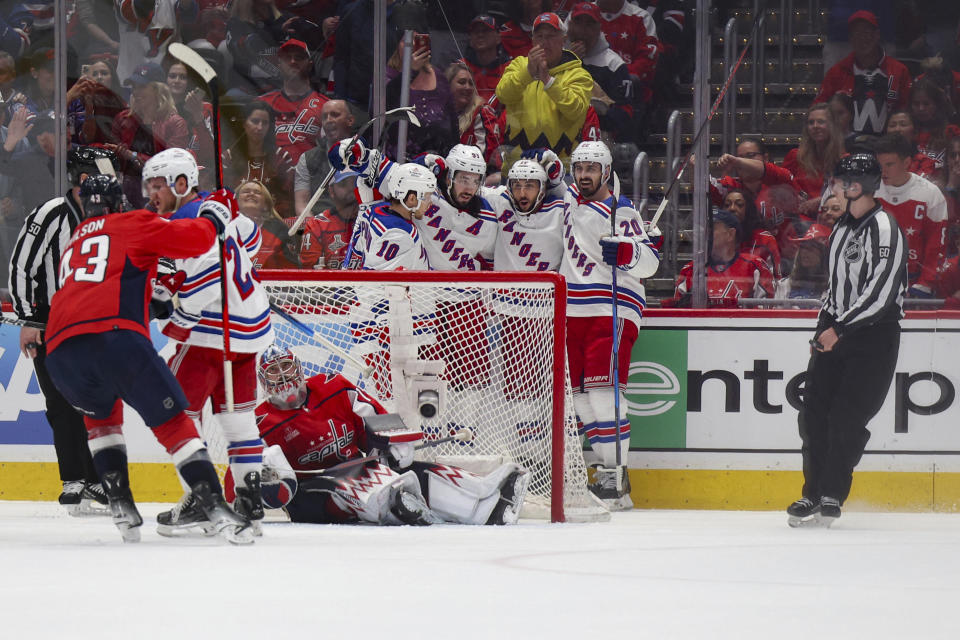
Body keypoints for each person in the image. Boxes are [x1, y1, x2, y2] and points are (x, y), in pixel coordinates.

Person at [42, 175, 254, 544]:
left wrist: (155, 299)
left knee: (101, 421)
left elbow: (114, 283)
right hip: (114, 337)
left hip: (60, 350)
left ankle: (121, 506)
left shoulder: (74, 243)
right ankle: (218, 510)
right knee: (174, 423)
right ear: (120, 203)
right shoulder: (132, 222)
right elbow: (198, 239)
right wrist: (216, 214)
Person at [227, 347, 530, 526]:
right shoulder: (259, 423)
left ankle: (485, 501)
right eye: (274, 373)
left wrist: (396, 442)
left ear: (300, 369)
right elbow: (243, 476)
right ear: (263, 383)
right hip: (309, 498)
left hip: (357, 470)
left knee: (407, 470)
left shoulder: (334, 386)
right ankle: (397, 506)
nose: (283, 379)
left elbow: (375, 415)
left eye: (287, 369)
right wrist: (259, 485)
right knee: (361, 479)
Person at [788, 154, 907, 528]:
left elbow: (881, 293)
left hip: (874, 337)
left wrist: (839, 329)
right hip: (836, 331)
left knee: (847, 417)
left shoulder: (886, 228)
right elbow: (835, 289)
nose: (841, 186)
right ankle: (811, 493)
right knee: (812, 416)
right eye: (841, 180)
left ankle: (831, 493)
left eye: (848, 181)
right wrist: (823, 326)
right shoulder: (840, 228)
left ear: (865, 185)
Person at [156, 188, 275, 535]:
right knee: (238, 419)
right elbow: (252, 240)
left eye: (156, 185)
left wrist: (173, 321)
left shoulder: (188, 221)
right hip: (247, 332)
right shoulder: (228, 214)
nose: (151, 193)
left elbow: (204, 282)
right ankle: (249, 500)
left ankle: (201, 498)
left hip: (209, 334)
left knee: (177, 416)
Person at [6, 147, 118, 515]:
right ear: (84, 179)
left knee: (95, 400)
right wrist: (29, 319)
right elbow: (23, 266)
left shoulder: (114, 212)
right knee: (60, 400)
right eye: (104, 173)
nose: (111, 179)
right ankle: (76, 478)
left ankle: (97, 479)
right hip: (50, 319)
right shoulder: (52, 213)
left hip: (94, 321)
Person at [552, 140, 660, 510]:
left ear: (606, 171)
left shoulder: (621, 209)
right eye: (579, 168)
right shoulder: (568, 200)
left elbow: (650, 262)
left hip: (610, 308)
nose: (584, 175)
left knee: (604, 395)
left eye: (591, 169)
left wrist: (630, 252)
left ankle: (618, 479)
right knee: (580, 399)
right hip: (573, 311)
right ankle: (605, 475)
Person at [495, 12, 593, 167]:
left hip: (561, 170)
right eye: (539, 36)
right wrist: (527, 73)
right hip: (517, 167)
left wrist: (548, 81)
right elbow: (503, 95)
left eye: (551, 36)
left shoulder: (579, 74)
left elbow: (576, 110)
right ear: (533, 41)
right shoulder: (519, 65)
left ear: (563, 40)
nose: (544, 42)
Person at [873, 134, 949, 297]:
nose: (883, 171)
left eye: (889, 164)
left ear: (907, 162)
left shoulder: (930, 194)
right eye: (879, 165)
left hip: (914, 283)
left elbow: (936, 246)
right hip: (873, 281)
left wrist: (924, 285)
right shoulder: (868, 191)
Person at [815, 10, 911, 136]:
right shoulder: (837, 72)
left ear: (877, 35)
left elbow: (909, 110)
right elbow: (818, 109)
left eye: (867, 33)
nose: (862, 38)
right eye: (857, 33)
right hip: (845, 146)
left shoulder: (899, 70)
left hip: (889, 146)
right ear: (850, 38)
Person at [109, 63, 190, 208]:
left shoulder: (175, 123)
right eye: (134, 87)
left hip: (161, 196)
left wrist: (133, 155)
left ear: (158, 90)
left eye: (142, 87)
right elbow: (115, 163)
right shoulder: (123, 119)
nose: (135, 92)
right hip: (126, 195)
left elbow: (171, 165)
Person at [666, 208, 775, 307]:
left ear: (730, 234)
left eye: (711, 229)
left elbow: (766, 314)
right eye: (704, 229)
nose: (705, 233)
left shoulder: (755, 266)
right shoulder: (690, 270)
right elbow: (678, 314)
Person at [564, 2, 636, 142]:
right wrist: (569, 62)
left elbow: (625, 114)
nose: (582, 31)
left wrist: (593, 114)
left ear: (599, 29)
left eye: (589, 25)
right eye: (578, 23)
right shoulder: (556, 57)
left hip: (599, 136)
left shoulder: (614, 64)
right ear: (569, 27)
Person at [348, 162, 435, 271]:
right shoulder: (398, 235)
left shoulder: (374, 211)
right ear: (412, 199)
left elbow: (357, 251)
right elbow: (380, 283)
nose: (430, 203)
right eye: (427, 197)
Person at [259, 39, 328, 166]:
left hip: (310, 179)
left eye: (299, 57)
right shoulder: (262, 104)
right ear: (279, 66)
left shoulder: (327, 106)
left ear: (310, 64)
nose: (293, 61)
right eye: (287, 58)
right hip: (269, 178)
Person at [222, 100, 294, 216]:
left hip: (272, 220)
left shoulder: (281, 157)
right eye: (255, 121)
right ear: (244, 123)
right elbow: (223, 196)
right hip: (235, 218)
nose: (260, 127)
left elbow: (287, 199)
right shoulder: (227, 157)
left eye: (265, 123)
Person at [293, 98, 355, 219]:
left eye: (335, 115)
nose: (329, 120)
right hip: (319, 226)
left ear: (350, 120)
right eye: (324, 117)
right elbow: (302, 204)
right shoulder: (307, 158)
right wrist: (315, 230)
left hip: (357, 226)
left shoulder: (367, 156)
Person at [781, 103, 844, 216]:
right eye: (811, 122)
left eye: (821, 122)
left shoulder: (844, 160)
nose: (815, 126)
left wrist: (822, 200)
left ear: (832, 125)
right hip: (799, 218)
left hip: (832, 218)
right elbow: (781, 185)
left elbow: (850, 193)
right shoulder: (795, 156)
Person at [595, 0, 660, 108]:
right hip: (588, 87)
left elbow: (647, 60)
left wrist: (618, 76)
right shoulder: (581, 14)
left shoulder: (641, 17)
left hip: (629, 93)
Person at [299, 170, 362, 270]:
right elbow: (310, 277)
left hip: (367, 285)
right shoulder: (316, 225)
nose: (351, 189)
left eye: (355, 183)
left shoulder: (373, 222)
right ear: (331, 191)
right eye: (343, 184)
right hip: (330, 285)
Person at [236, 178, 300, 269]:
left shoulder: (279, 231)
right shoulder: (223, 227)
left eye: (257, 192)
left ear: (266, 204)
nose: (251, 194)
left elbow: (291, 271)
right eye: (246, 191)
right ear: (235, 200)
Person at [910, 76, 959, 178]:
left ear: (936, 105)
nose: (921, 108)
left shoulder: (951, 132)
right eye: (916, 104)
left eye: (926, 104)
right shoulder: (907, 131)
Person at [141, 147, 208, 219]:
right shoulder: (204, 200)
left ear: (181, 184)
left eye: (157, 187)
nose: (152, 197)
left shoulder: (184, 220)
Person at [775, 224, 831, 301]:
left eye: (811, 248)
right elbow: (777, 312)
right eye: (803, 247)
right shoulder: (784, 284)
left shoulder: (835, 288)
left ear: (824, 254)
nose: (804, 252)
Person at [461, 14, 510, 101]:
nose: (480, 35)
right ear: (470, 40)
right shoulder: (460, 67)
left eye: (485, 31)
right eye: (476, 31)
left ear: (498, 38)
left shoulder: (510, 67)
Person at [884, 110, 938, 179]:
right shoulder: (878, 160)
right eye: (892, 125)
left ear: (915, 133)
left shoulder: (925, 163)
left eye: (903, 125)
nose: (897, 129)